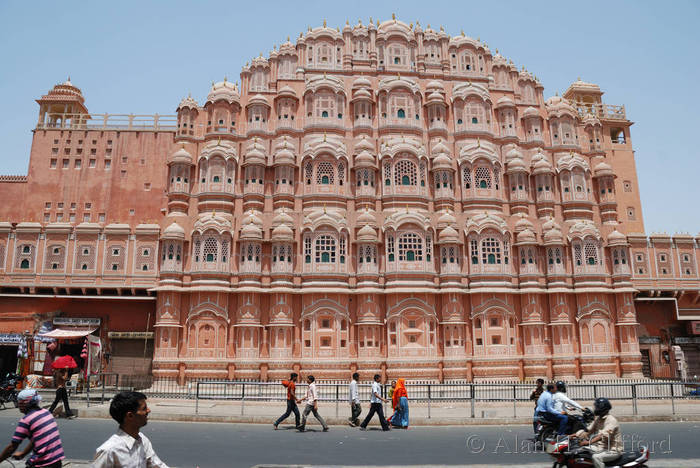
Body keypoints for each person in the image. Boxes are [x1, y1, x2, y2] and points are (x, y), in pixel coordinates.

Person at [93, 391, 169, 468]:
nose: (148, 411)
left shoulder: (143, 440)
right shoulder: (110, 450)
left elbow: (156, 464)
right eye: (144, 408)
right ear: (130, 416)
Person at [0, 389, 65, 468]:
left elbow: (12, 447)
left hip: (43, 462)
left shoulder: (26, 420)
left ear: (25, 403)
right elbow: (37, 438)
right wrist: (23, 453)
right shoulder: (46, 412)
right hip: (57, 460)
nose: (18, 405)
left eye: (19, 402)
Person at [570, 397, 622, 468]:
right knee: (579, 451)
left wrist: (588, 442)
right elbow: (588, 431)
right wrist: (572, 436)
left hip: (613, 450)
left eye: (597, 407)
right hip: (600, 447)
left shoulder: (611, 420)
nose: (596, 409)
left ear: (602, 408)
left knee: (596, 457)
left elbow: (602, 436)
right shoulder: (598, 419)